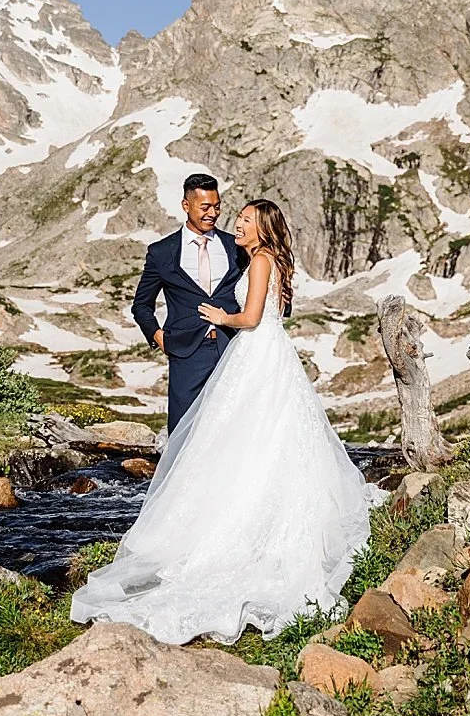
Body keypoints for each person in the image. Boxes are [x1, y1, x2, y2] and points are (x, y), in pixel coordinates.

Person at [73, 198, 384, 645]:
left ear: (262, 229)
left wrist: (223, 317)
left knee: (243, 438)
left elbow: (253, 318)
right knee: (263, 439)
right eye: (235, 218)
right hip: (265, 355)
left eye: (244, 220)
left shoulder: (259, 261)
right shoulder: (265, 258)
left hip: (256, 352)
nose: (235, 224)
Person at [129, 173, 243, 433]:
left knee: (234, 427)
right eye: (205, 207)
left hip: (233, 347)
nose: (212, 213)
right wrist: (158, 337)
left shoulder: (235, 246)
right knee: (183, 429)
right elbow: (141, 305)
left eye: (216, 206)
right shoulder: (161, 252)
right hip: (186, 352)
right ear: (186, 206)